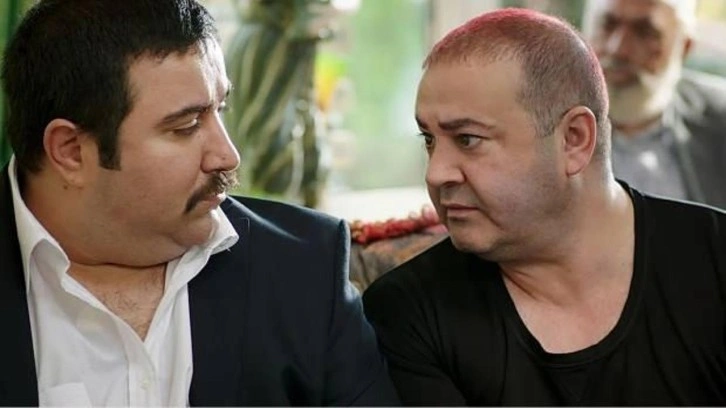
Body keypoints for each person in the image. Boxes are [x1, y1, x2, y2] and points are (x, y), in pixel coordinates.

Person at [0, 0, 399, 405]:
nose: (227, 155)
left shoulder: (305, 268)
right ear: (71, 152)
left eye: (220, 110)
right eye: (186, 126)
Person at [363, 7, 726, 406]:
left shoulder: (715, 260)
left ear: (574, 139)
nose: (436, 173)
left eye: (467, 139)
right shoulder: (408, 311)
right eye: (429, 140)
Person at [583, 0, 726, 208]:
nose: (618, 49)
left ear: (684, 47)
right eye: (608, 25)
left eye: (644, 33)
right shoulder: (545, 119)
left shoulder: (717, 122)